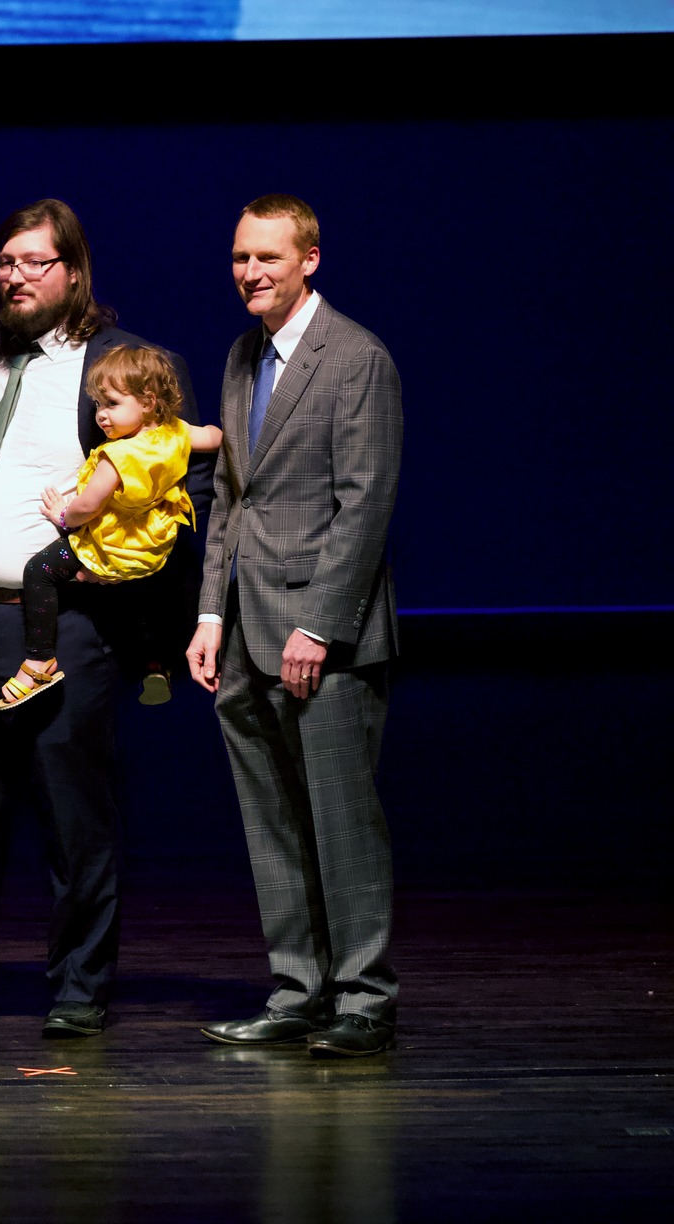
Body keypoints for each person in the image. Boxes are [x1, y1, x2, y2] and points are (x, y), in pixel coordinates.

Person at [0, 199, 208, 1040]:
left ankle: (81, 986)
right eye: (5, 263)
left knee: (74, 812)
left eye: (33, 262)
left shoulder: (113, 367)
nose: (14, 276)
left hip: (58, 626)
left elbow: (177, 474)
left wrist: (127, 572)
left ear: (73, 272)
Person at [190, 194, 402, 1058]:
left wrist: (318, 625)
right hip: (245, 627)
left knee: (341, 818)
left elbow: (365, 506)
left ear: (310, 258)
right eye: (241, 257)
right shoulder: (245, 355)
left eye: (268, 258)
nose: (251, 272)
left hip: (324, 636)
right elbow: (232, 496)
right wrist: (210, 611)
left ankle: (364, 997)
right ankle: (299, 988)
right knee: (271, 819)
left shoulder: (356, 357)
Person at [0, 344, 221, 710]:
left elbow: (88, 506)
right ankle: (154, 662)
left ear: (148, 401)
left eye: (112, 404)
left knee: (38, 572)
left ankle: (39, 660)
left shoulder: (115, 457)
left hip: (111, 545)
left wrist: (62, 516)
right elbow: (212, 437)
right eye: (98, 405)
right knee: (137, 599)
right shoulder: (176, 433)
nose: (101, 416)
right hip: (149, 550)